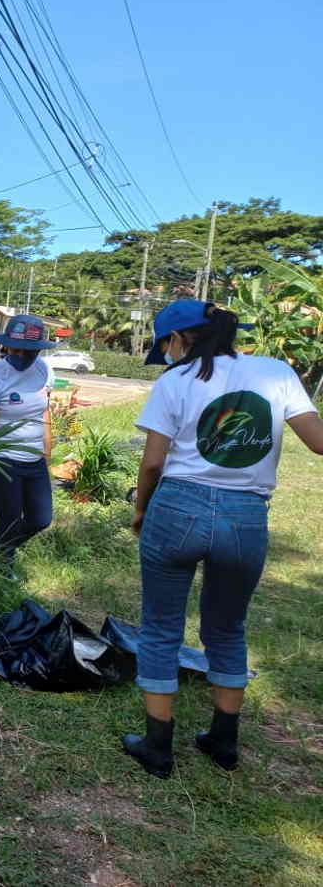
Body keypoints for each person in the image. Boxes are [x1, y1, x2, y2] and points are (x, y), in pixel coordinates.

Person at [122, 300, 323, 778]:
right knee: (228, 627)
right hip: (245, 515)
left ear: (179, 339)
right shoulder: (276, 372)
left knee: (161, 625)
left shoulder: (174, 381)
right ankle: (223, 742)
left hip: (177, 508)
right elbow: (318, 440)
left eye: (165, 344)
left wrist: (141, 510)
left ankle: (157, 746)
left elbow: (152, 463)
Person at [0, 314, 56, 572]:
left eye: (30, 351)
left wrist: (46, 457)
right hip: (1, 461)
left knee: (41, 519)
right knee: (10, 519)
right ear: (7, 346)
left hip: (33, 459)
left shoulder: (44, 370)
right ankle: (2, 570)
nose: (23, 355)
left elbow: (45, 413)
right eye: (17, 349)